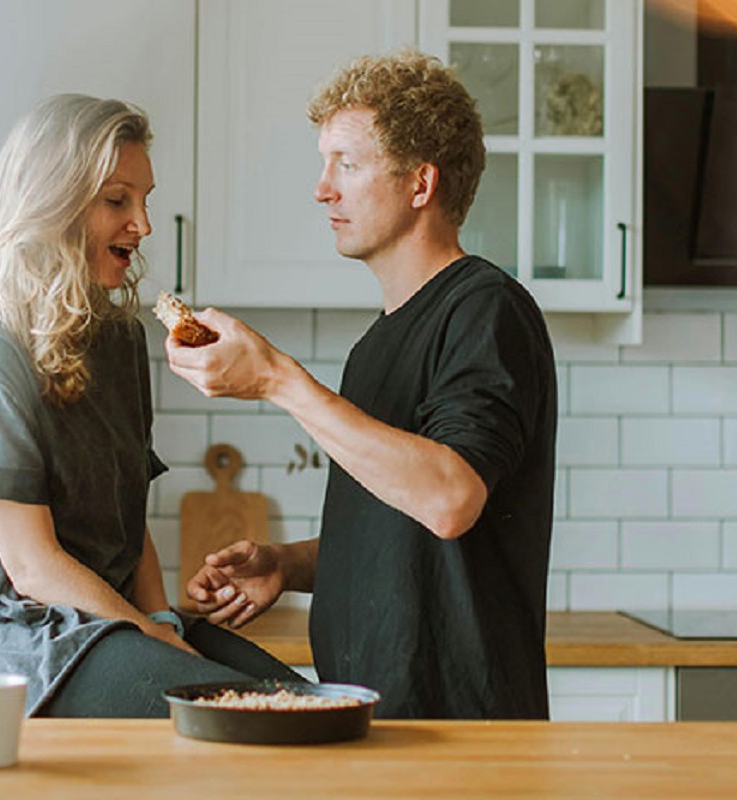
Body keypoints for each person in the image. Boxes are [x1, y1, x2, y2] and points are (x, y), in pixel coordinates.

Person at [167, 51, 558, 719]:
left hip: (459, 732)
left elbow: (449, 498)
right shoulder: (377, 344)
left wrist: (277, 380)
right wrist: (287, 566)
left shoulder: (486, 309)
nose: (323, 189)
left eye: (347, 164)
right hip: (378, 713)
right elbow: (402, 533)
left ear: (420, 184)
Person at [0, 94, 300, 718]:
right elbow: (31, 566)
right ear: (51, 205)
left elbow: (127, 516)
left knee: (306, 707)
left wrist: (162, 619)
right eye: (118, 201)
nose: (141, 225)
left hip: (110, 626)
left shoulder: (120, 339)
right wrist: (154, 637)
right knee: (243, 720)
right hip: (1, 648)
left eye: (144, 201)